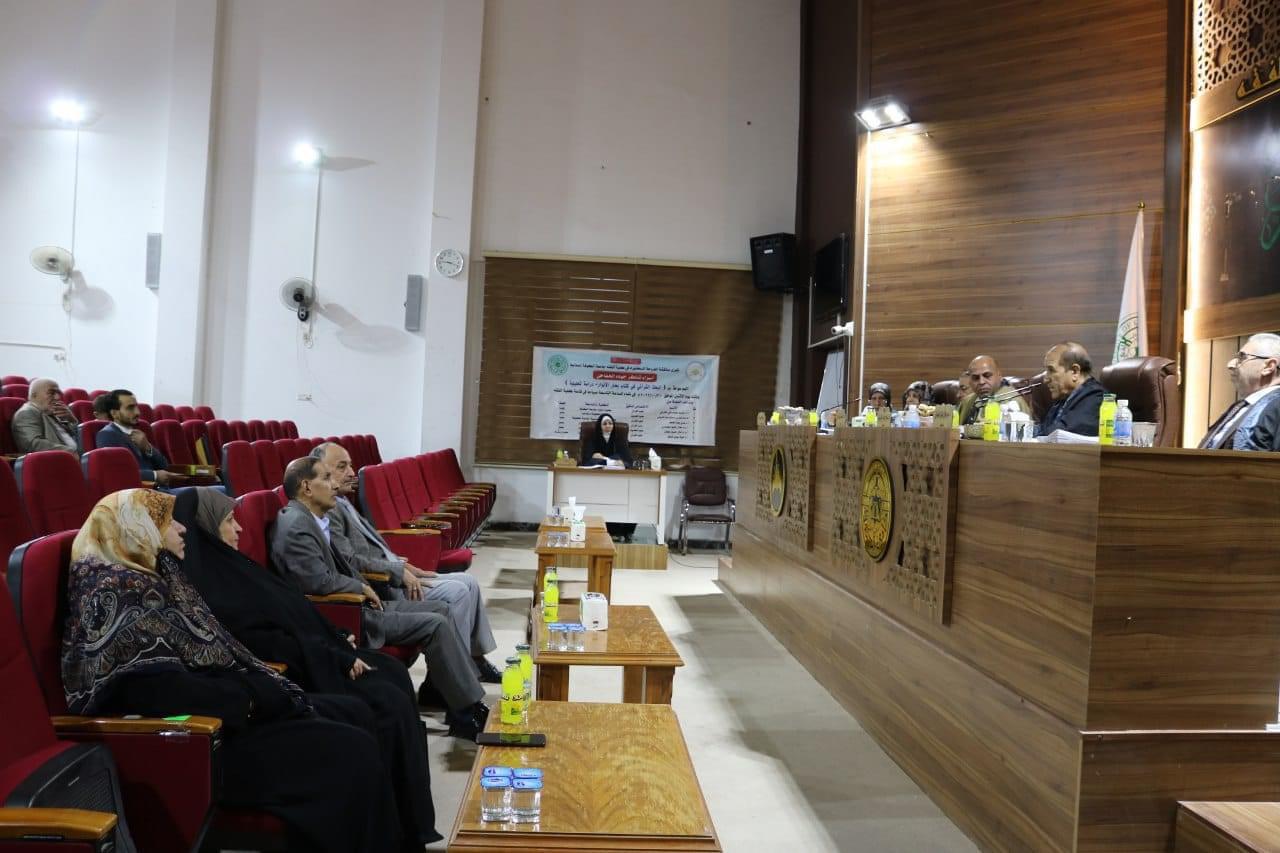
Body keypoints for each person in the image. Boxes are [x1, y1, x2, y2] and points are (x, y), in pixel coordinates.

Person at [61, 489, 399, 853]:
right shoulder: (117, 594)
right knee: (352, 752)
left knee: (353, 715)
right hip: (197, 744)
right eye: (166, 521)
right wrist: (253, 698)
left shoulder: (159, 575)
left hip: (225, 714)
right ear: (134, 530)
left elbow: (209, 654)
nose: (181, 528)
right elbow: (159, 694)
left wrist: (260, 689)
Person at [177, 488, 442, 848]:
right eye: (228, 521)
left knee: (393, 674)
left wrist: (335, 636)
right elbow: (260, 640)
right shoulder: (208, 584)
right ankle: (397, 828)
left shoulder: (235, 566)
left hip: (308, 656)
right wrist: (332, 654)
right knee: (384, 703)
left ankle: (411, 822)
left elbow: (293, 611)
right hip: (292, 672)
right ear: (206, 528)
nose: (239, 529)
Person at [270, 456, 490, 739]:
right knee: (435, 623)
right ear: (306, 487)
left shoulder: (310, 518)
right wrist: (360, 587)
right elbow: (316, 581)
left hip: (361, 605)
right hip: (347, 614)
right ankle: (465, 715)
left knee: (441, 609)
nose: (334, 485)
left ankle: (451, 695)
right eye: (326, 478)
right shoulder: (296, 526)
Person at [310, 442, 501, 683]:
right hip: (384, 584)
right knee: (459, 592)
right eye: (341, 467)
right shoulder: (329, 509)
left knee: (469, 582)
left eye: (350, 465)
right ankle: (449, 678)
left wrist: (403, 564)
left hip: (394, 570)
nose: (351, 472)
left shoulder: (344, 501)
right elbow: (349, 560)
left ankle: (474, 659)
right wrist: (398, 570)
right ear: (320, 471)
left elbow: (372, 547)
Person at [1198, 332, 1280, 450]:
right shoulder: (1241, 406)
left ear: (1269, 367)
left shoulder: (1276, 406)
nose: (1230, 364)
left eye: (1241, 357)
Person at [94, 390, 175, 485]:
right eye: (130, 408)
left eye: (137, 407)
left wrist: (147, 447)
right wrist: (154, 475)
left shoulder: (139, 432)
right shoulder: (107, 434)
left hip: (160, 489)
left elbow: (164, 466)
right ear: (114, 413)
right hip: (137, 491)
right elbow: (119, 472)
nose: (137, 412)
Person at [1037, 342, 1106, 437]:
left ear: (1075, 372)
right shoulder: (1064, 398)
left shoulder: (1096, 398)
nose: (1045, 380)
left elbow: (1059, 433)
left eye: (1051, 370)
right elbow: (1044, 429)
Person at [956, 355, 1030, 426]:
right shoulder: (967, 401)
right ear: (970, 381)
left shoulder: (1013, 402)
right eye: (976, 378)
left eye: (987, 375)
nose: (981, 382)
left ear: (999, 375)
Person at [11, 378, 80, 453]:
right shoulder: (26, 413)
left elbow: (72, 436)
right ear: (34, 395)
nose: (57, 397)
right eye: (51, 393)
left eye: (58, 393)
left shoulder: (50, 411)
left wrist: (71, 419)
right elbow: (34, 444)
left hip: (75, 454)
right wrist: (70, 452)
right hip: (59, 458)